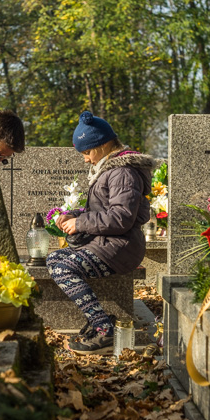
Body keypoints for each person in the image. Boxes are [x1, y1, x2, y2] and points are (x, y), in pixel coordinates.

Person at [47, 111, 155, 355]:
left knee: (63, 268)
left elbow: (120, 217)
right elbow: (103, 209)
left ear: (104, 145)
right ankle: (100, 320)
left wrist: (80, 223)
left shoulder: (123, 172)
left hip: (120, 248)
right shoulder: (112, 169)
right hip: (109, 243)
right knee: (54, 259)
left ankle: (103, 328)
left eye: (87, 152)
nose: (85, 159)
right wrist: (74, 215)